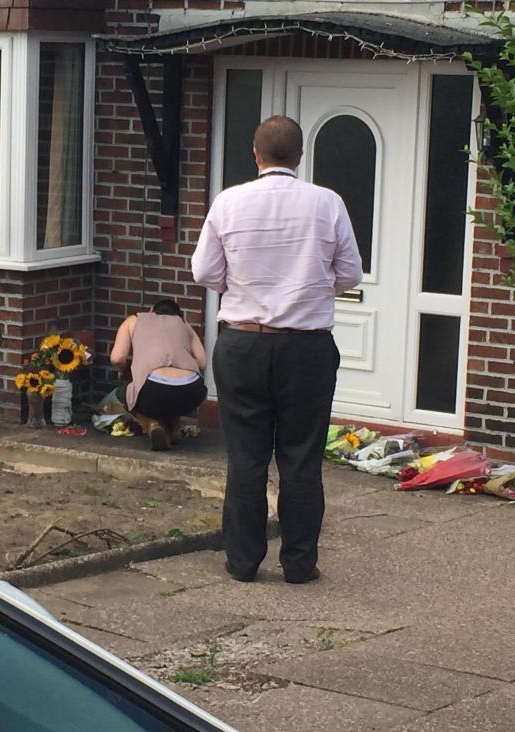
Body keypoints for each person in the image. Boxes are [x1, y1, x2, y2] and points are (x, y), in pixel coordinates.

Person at [192, 115, 362, 585]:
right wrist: (313, 284)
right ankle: (299, 564)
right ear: (300, 156)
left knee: (245, 458)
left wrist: (240, 284)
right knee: (302, 458)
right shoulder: (327, 204)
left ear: (255, 153)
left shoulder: (228, 202)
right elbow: (350, 275)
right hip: (307, 348)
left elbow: (204, 273)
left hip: (243, 342)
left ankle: (243, 562)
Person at [109, 299, 208, 450]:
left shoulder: (133, 320)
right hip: (192, 391)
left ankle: (151, 424)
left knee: (125, 392)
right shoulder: (183, 323)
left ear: (151, 311)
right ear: (178, 315)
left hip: (153, 389)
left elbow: (117, 358)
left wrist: (124, 372)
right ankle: (171, 430)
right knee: (172, 392)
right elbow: (202, 363)